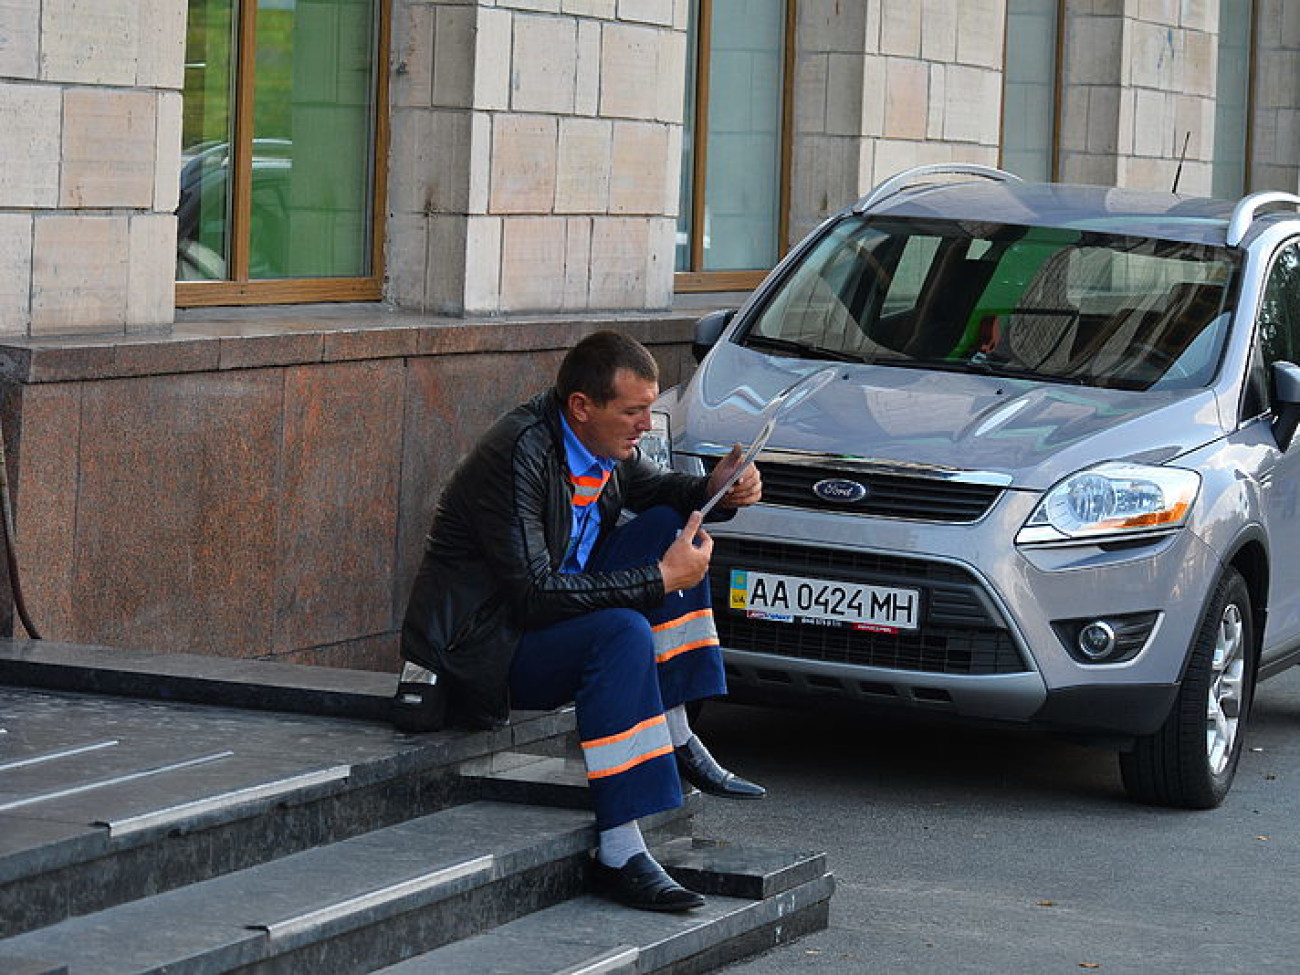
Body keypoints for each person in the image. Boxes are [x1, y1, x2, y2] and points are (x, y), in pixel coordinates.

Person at [396, 329, 764, 913]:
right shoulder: (518, 454)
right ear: (581, 407)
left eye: (650, 409)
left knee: (672, 527)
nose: (647, 424)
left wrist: (714, 487)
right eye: (635, 411)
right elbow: (534, 597)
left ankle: (676, 732)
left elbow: (661, 488)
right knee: (623, 631)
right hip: (492, 646)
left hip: (551, 615)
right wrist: (660, 581)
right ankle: (619, 851)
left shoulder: (602, 444)